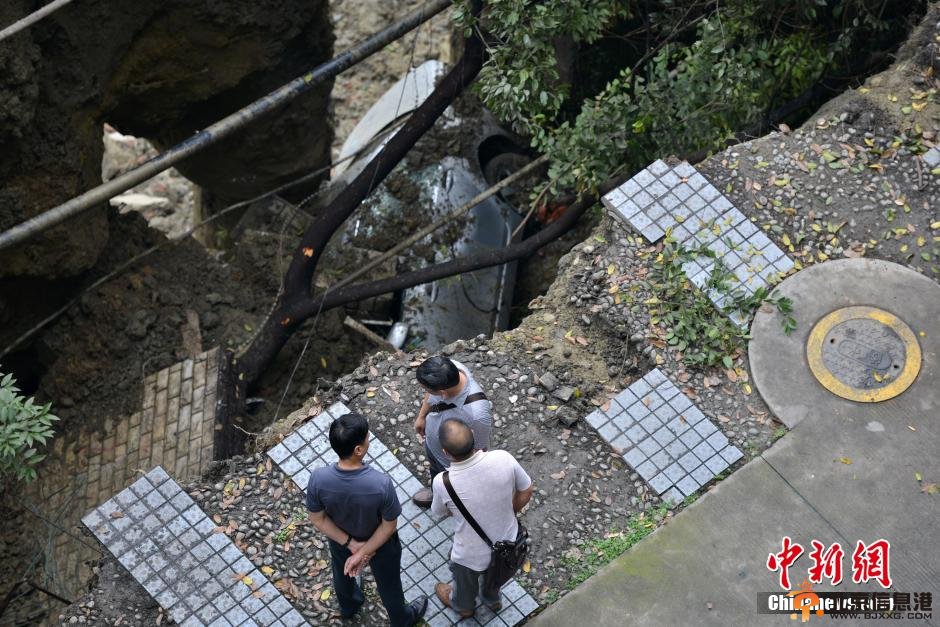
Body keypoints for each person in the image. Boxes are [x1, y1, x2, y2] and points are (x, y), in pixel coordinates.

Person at [305, 412, 428, 625]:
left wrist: (352, 546)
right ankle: (402, 619)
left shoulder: (317, 478)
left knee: (342, 573)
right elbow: (388, 526)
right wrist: (363, 552)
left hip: (340, 540)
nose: (369, 441)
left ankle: (349, 606)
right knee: (389, 583)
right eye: (367, 438)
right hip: (380, 546)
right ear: (358, 450)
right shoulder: (381, 484)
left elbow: (317, 518)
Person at [430, 419, 533, 618]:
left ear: (445, 452)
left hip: (469, 556)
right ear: (472, 433)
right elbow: (526, 489)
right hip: (508, 542)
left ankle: (463, 606)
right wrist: (509, 512)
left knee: (464, 584)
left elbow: (439, 511)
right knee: (496, 575)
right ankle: (492, 600)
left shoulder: (443, 482)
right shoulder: (503, 458)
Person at [412, 356, 492, 507]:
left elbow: (479, 450)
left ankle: (449, 503)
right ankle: (437, 494)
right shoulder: (449, 368)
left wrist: (457, 473)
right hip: (434, 446)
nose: (425, 392)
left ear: (442, 391)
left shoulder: (477, 415)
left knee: (450, 485)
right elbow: (430, 395)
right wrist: (422, 417)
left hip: (450, 462)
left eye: (425, 389)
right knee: (434, 470)